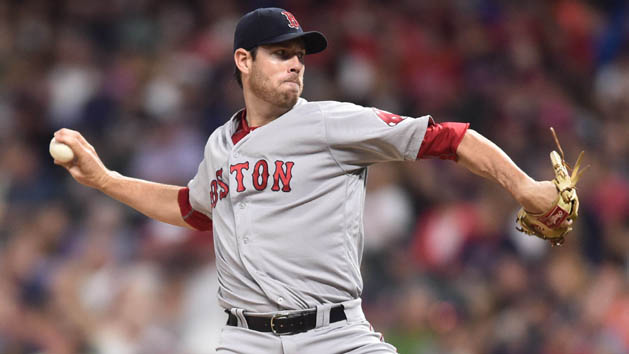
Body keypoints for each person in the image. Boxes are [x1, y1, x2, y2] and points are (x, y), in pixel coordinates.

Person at [53, 7, 564, 353]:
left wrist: (523, 187)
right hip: (244, 341)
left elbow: (448, 138)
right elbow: (191, 209)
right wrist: (105, 179)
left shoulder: (329, 122)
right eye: (281, 53)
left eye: (300, 55)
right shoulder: (218, 144)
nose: (296, 64)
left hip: (333, 337)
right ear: (243, 61)